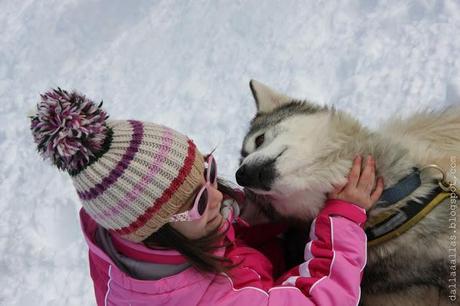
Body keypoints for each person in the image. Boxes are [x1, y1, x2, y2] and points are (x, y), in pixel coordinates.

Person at [30, 88, 384, 306]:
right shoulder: (207, 298)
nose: (216, 196)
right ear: (157, 232)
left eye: (208, 172)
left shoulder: (123, 222)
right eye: (198, 202)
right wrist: (341, 220)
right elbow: (320, 301)